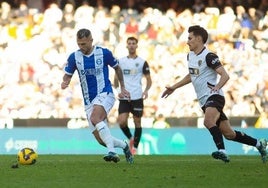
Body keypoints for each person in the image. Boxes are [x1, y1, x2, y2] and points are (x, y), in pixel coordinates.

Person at [161, 25, 267, 163]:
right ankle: (260, 144)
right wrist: (174, 87)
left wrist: (217, 87)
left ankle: (222, 151)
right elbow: (192, 75)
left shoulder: (209, 56)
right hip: (204, 101)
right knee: (229, 134)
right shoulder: (190, 56)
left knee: (208, 121)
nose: (187, 42)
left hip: (215, 97)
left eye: (190, 38)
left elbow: (225, 75)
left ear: (199, 39)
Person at [61, 28, 133, 163]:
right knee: (102, 140)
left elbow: (117, 67)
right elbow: (67, 75)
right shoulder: (74, 57)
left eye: (84, 44)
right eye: (79, 44)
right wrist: (65, 82)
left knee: (95, 117)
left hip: (105, 93)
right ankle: (124, 146)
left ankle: (112, 153)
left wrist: (122, 87)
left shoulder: (103, 53)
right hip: (89, 101)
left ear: (91, 41)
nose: (81, 47)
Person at [115, 36, 152, 154]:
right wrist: (118, 90)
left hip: (137, 96)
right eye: (129, 43)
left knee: (137, 122)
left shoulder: (142, 62)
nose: (131, 45)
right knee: (121, 121)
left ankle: (134, 148)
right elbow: (115, 78)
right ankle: (131, 138)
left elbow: (149, 79)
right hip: (125, 97)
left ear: (137, 46)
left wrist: (146, 90)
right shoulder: (121, 61)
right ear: (126, 46)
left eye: (133, 43)